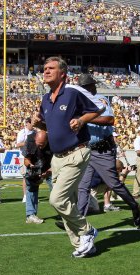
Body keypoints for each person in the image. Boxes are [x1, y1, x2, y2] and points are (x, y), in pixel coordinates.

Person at [32, 56, 104, 258]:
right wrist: (39, 125)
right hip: (57, 158)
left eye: (51, 68)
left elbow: (100, 108)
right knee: (68, 203)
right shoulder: (46, 99)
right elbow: (51, 128)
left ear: (62, 73)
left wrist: (81, 120)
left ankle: (87, 230)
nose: (45, 71)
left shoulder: (72, 92)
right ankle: (83, 244)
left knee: (57, 199)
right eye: (44, 68)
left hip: (76, 153)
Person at [75, 73, 140, 225]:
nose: (84, 90)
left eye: (85, 87)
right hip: (87, 149)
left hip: (102, 149)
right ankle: (77, 220)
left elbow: (109, 120)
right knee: (83, 186)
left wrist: (84, 118)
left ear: (92, 87)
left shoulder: (100, 99)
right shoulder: (79, 102)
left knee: (113, 184)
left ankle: (134, 205)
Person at [22, 130, 53, 224]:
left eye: (42, 144)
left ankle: (65, 214)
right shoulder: (30, 141)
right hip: (34, 167)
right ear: (35, 139)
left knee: (57, 190)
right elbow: (26, 159)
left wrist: (49, 171)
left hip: (50, 167)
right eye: (38, 144)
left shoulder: (54, 140)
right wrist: (30, 165)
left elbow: (59, 160)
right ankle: (30, 215)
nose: (40, 147)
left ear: (47, 140)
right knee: (31, 190)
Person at [16, 117, 35, 203]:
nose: (33, 125)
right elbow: (18, 144)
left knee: (33, 176)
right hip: (23, 157)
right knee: (25, 176)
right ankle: (25, 196)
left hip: (33, 157)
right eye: (32, 123)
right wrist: (28, 142)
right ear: (27, 123)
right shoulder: (22, 132)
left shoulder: (35, 132)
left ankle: (33, 195)